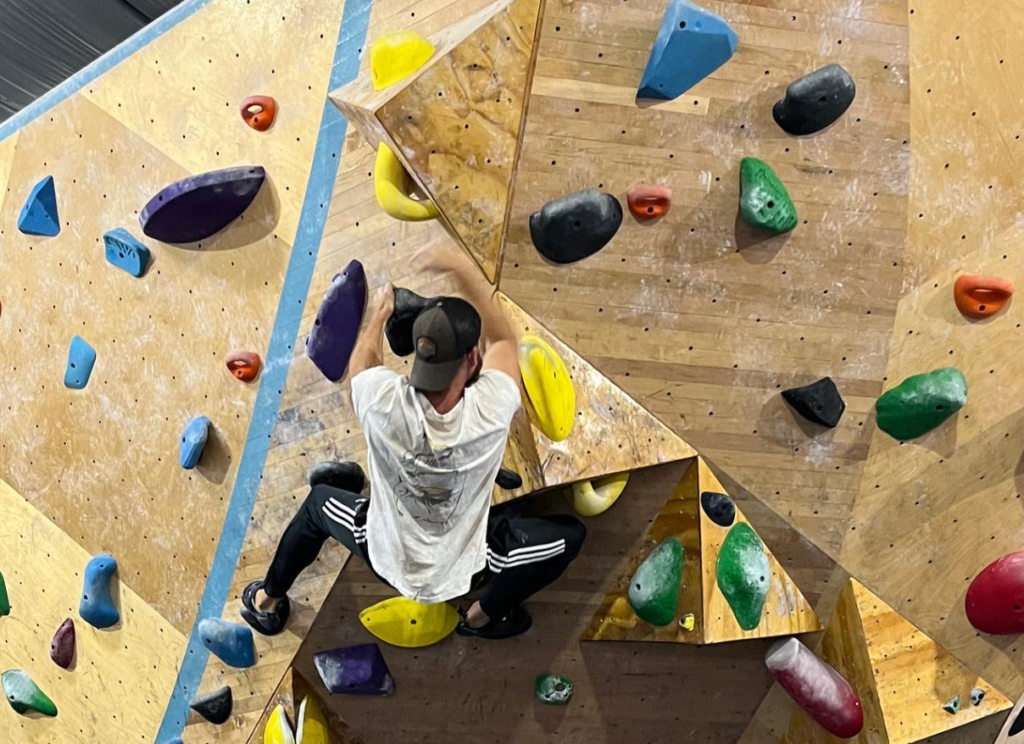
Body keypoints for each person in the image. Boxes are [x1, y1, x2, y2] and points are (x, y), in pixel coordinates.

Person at [240, 243, 586, 640]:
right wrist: (461, 271)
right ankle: (481, 617)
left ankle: (267, 600)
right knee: (569, 538)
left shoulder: (379, 403)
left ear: (418, 361)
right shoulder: (489, 411)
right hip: (464, 569)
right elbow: (505, 341)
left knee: (319, 504)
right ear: (473, 361)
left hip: (382, 551)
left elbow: (364, 363)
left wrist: (379, 315)